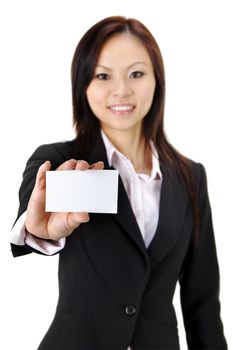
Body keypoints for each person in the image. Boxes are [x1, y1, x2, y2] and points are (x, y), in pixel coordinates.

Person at [11, 16, 227, 350]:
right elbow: (35, 205)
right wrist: (40, 228)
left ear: (157, 80)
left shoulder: (190, 177)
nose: (121, 90)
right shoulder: (58, 161)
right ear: (83, 85)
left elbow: (202, 302)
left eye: (137, 74)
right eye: (103, 76)